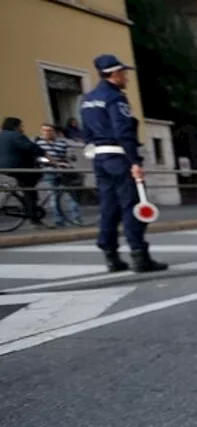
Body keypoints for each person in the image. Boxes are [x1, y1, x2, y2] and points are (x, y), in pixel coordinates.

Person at [80, 54, 166, 273]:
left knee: (109, 206)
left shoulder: (87, 99)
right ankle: (139, 255)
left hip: (100, 158)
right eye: (124, 73)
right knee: (132, 205)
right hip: (119, 157)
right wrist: (134, 161)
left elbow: (87, 132)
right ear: (115, 73)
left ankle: (111, 255)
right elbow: (123, 131)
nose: (126, 78)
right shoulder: (116, 98)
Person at [0, 117, 45, 226]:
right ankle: (34, 217)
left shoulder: (1, 136)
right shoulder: (15, 135)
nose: (22, 128)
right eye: (21, 126)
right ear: (16, 126)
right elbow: (30, 147)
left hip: (5, 168)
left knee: (28, 187)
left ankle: (29, 204)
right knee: (29, 190)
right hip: (19, 168)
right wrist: (41, 152)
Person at [36, 123, 83, 227]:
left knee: (71, 196)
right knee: (54, 197)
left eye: (49, 130)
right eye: (44, 131)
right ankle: (59, 220)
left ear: (54, 132)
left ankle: (76, 219)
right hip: (49, 171)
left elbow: (70, 155)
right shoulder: (38, 144)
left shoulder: (62, 143)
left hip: (64, 171)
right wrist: (50, 162)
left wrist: (69, 160)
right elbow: (38, 158)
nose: (47, 133)